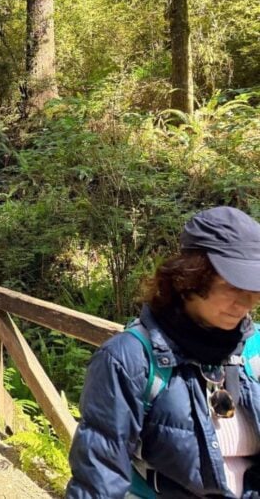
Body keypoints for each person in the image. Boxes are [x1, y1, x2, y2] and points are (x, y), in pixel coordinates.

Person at [67, 206, 260, 498]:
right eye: (232, 287)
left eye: (254, 288)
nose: (245, 303)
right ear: (191, 279)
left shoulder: (254, 349)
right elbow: (100, 475)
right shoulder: (129, 358)